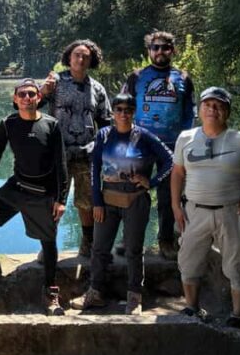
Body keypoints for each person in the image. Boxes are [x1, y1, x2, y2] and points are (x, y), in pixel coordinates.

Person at [171, 87, 240, 327]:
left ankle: (238, 315)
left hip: (231, 212)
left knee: (235, 265)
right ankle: (192, 308)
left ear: (227, 111)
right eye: (207, 104)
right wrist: (175, 206)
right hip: (194, 211)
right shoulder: (185, 138)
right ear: (199, 109)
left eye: (218, 105)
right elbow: (177, 172)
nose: (212, 109)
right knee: (188, 262)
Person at [0, 79, 68, 315]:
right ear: (15, 99)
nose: (27, 98)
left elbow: (62, 166)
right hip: (17, 187)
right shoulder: (8, 124)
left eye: (31, 94)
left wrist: (60, 199)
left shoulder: (52, 125)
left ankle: (51, 292)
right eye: (22, 94)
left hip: (43, 192)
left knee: (49, 242)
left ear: (38, 98)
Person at [73, 94, 173, 314]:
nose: (123, 113)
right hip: (107, 202)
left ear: (134, 112)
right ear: (112, 112)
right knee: (99, 249)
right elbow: (95, 169)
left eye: (128, 109)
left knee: (133, 250)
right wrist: (96, 201)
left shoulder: (145, 136)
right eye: (119, 109)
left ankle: (134, 296)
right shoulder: (104, 135)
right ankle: (95, 292)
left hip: (135, 201)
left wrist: (151, 182)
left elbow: (170, 161)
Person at [122, 30, 195, 260]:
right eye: (155, 47)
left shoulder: (183, 78)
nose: (160, 51)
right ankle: (130, 241)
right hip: (141, 144)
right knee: (134, 193)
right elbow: (123, 107)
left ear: (172, 50)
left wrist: (185, 141)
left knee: (168, 196)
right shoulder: (136, 77)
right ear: (149, 51)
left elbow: (189, 112)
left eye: (165, 47)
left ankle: (166, 240)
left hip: (172, 147)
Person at [40, 39, 111, 257]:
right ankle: (48, 247)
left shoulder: (97, 88)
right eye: (77, 55)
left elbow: (106, 122)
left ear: (92, 61)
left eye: (86, 56)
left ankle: (87, 243)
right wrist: (43, 91)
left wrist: (104, 151)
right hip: (57, 152)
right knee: (54, 200)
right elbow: (33, 105)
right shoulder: (56, 82)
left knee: (86, 201)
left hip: (86, 153)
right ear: (69, 58)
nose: (81, 59)